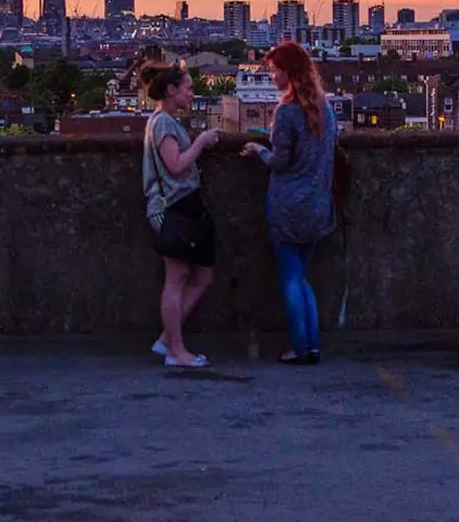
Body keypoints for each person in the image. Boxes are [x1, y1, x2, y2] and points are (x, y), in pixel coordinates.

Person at [241, 42, 337, 366]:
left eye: (274, 70)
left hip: (287, 206)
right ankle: (313, 346)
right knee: (302, 277)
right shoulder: (327, 110)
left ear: (289, 73)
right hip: (318, 205)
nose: (271, 76)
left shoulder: (287, 112)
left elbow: (280, 161)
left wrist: (258, 151)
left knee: (291, 278)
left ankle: (300, 347)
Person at [141, 61, 220, 368]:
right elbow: (175, 164)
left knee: (202, 275)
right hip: (175, 207)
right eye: (186, 87)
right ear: (171, 90)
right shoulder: (162, 123)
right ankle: (176, 351)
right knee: (176, 279)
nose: (191, 93)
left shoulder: (164, 121)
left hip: (186, 205)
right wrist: (200, 142)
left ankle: (166, 340)